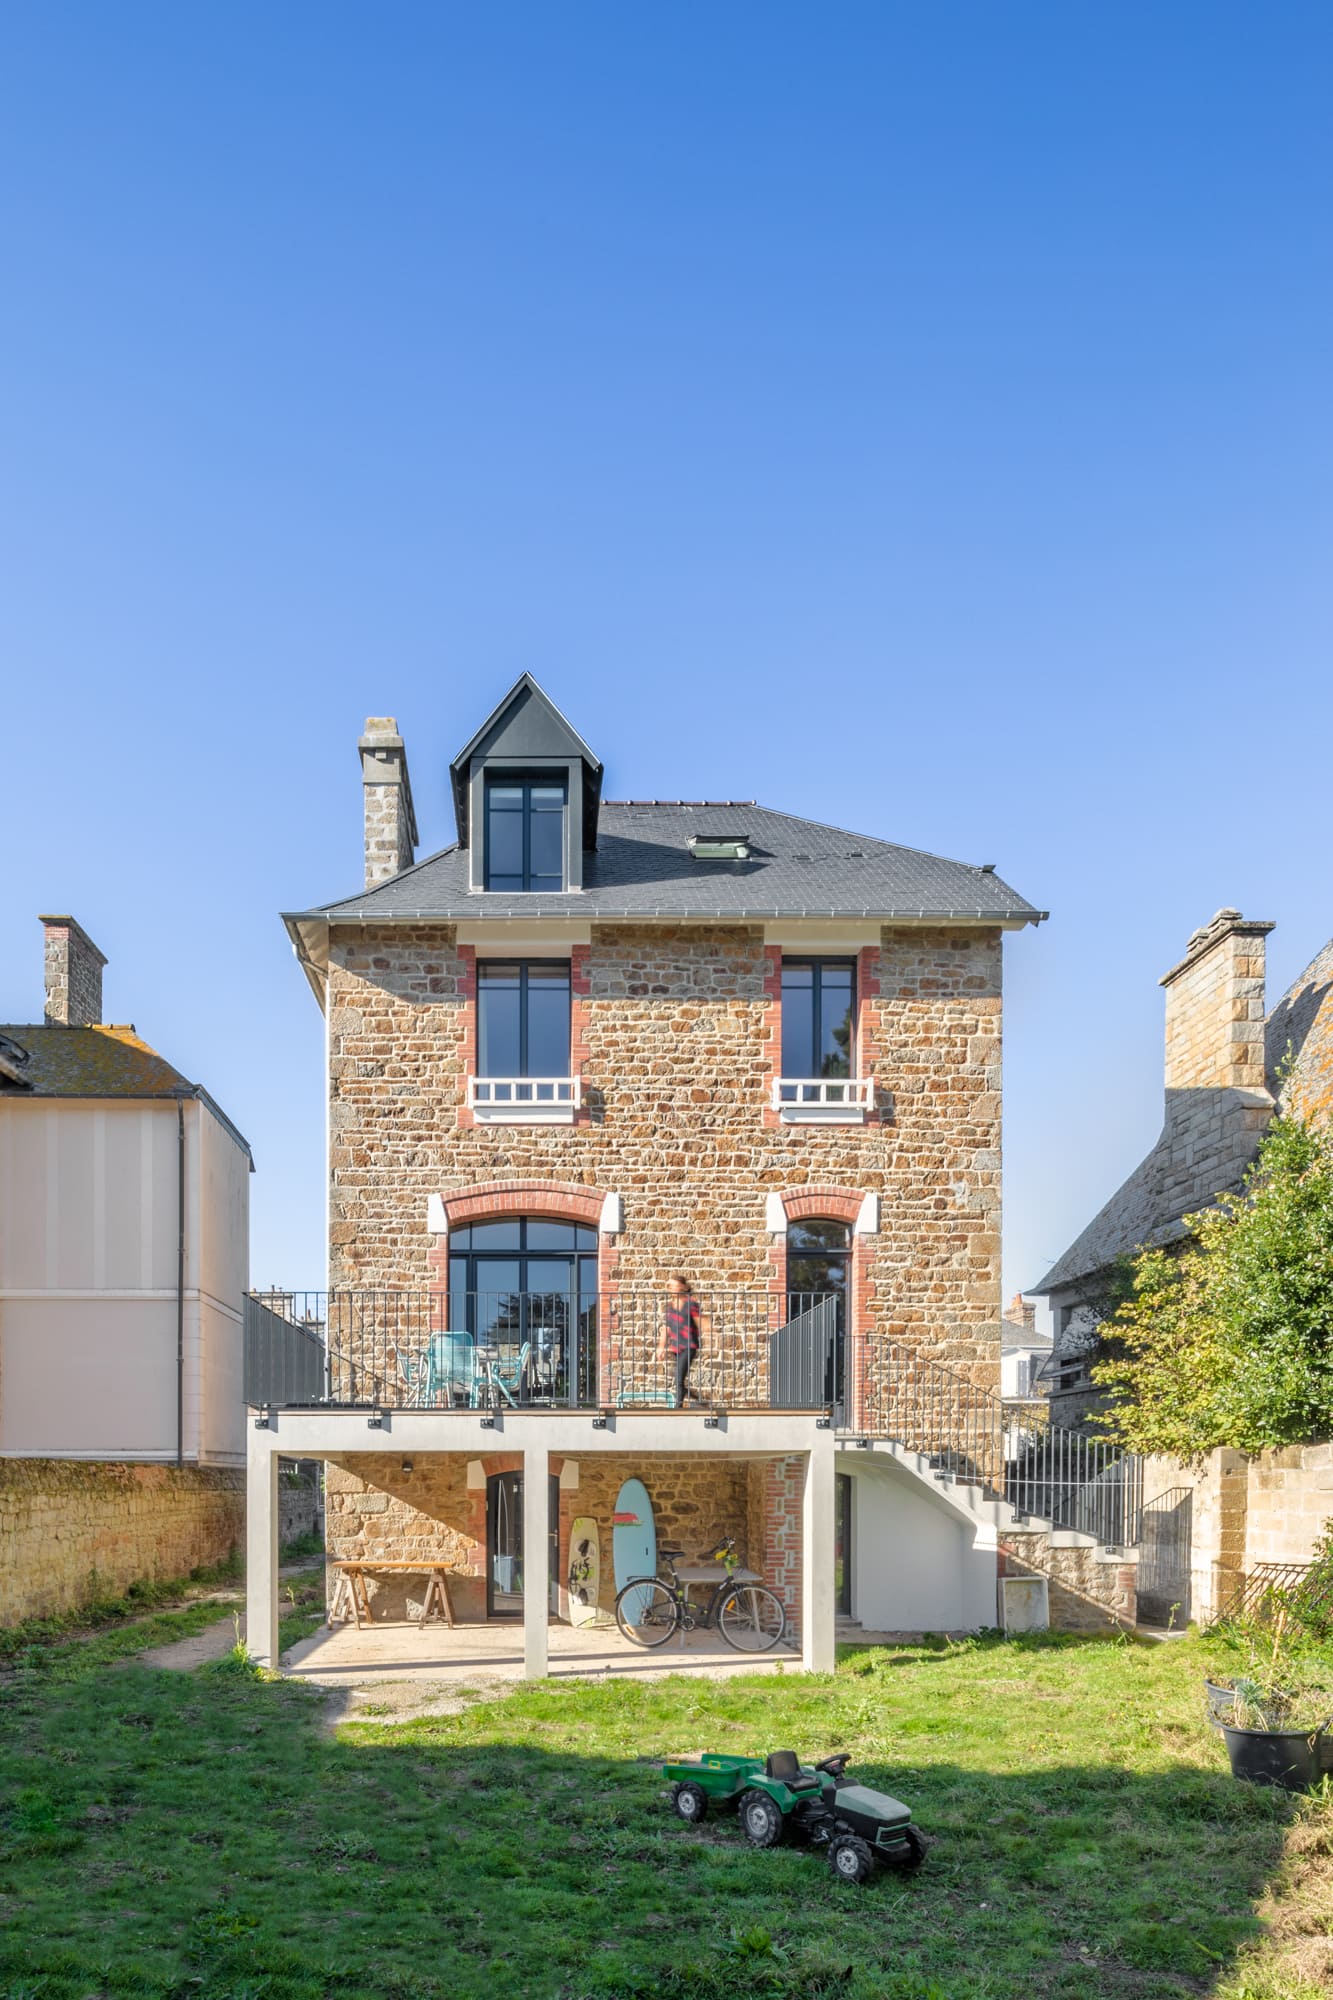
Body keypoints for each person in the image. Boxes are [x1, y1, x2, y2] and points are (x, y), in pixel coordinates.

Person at [660, 1275, 702, 1407]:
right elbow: (666, 1328)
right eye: (670, 1286)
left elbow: (699, 1321)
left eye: (674, 1285)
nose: (671, 1288)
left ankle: (677, 1408)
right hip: (676, 1347)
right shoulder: (670, 1307)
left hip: (689, 1346)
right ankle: (695, 1397)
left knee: (678, 1378)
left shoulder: (691, 1303)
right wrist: (661, 1347)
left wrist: (709, 1328)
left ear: (683, 1287)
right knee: (679, 1378)